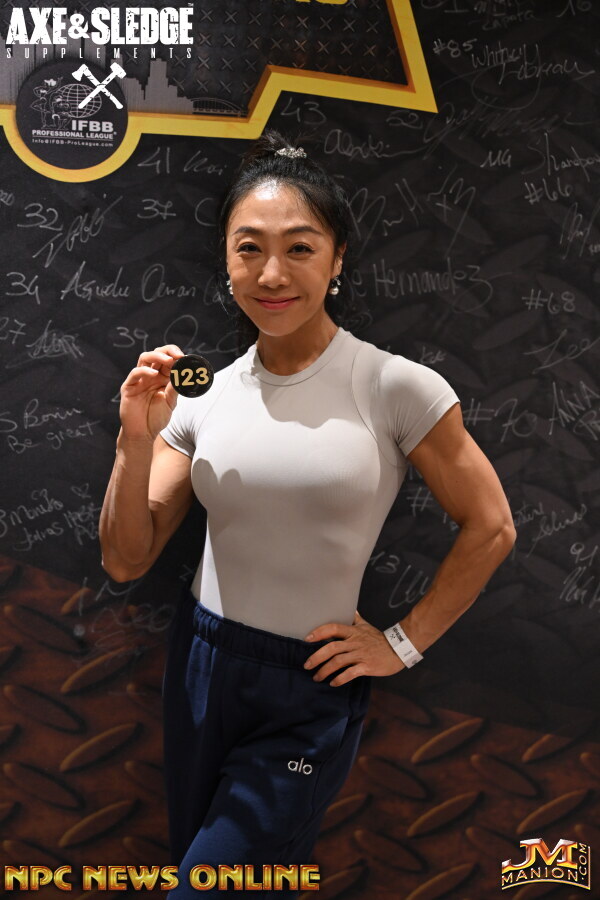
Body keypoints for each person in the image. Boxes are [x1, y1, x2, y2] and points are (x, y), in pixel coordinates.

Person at [99, 130, 516, 896]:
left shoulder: (394, 386)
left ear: (337, 258)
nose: (271, 274)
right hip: (201, 663)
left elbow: (493, 525)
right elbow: (126, 558)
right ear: (226, 259)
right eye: (249, 249)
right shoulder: (203, 395)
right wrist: (134, 438)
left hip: (308, 686)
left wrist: (402, 644)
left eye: (299, 248)